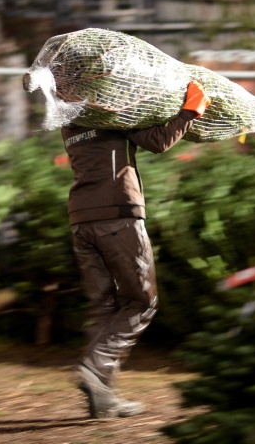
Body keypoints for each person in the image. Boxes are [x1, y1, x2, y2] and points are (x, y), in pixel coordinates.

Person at [61, 81, 211, 419]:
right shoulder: (111, 114)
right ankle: (94, 367)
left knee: (105, 309)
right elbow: (157, 141)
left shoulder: (69, 120)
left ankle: (103, 398)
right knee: (142, 301)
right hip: (118, 216)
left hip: (81, 219)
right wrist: (191, 110)